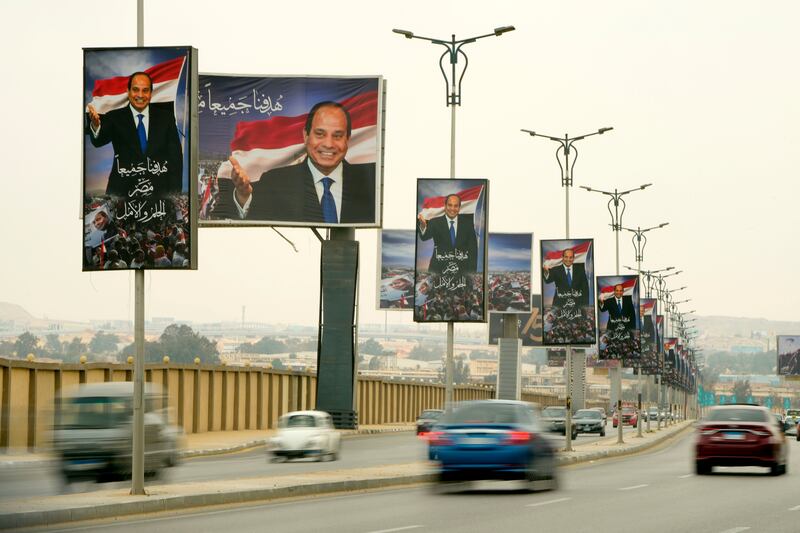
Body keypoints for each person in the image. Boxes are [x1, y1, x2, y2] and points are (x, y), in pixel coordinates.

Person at [229, 101, 375, 224]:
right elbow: (254, 223)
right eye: (320, 134)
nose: (329, 144)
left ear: (347, 139)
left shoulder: (371, 183)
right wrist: (243, 196)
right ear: (305, 136)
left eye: (337, 136)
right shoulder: (274, 182)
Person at [87, 71, 183, 198]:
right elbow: (98, 141)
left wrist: (174, 195)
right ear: (128, 91)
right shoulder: (114, 117)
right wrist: (95, 125)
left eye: (145, 90)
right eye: (136, 90)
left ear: (151, 93)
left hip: (158, 194)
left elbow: (175, 160)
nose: (140, 95)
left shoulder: (166, 118)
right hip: (121, 192)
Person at [416, 194, 478, 274]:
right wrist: (423, 226)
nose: (452, 209)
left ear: (459, 208)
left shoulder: (468, 224)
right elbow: (424, 237)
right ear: (445, 206)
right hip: (437, 270)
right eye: (450, 205)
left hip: (461, 272)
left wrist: (471, 273)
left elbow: (473, 250)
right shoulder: (435, 222)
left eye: (456, 206)